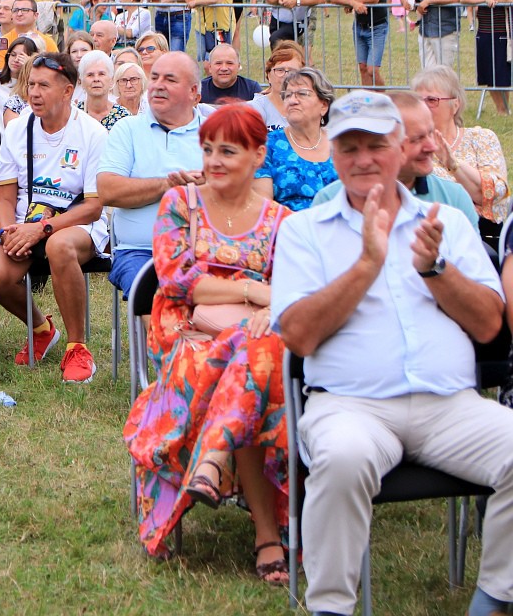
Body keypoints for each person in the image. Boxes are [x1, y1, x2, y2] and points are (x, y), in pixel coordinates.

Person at [271, 89, 513, 616]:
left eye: (376, 145)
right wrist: (366, 265)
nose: (362, 159)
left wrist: (435, 271)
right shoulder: (302, 232)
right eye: (348, 147)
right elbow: (299, 337)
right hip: (351, 405)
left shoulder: (445, 224)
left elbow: (490, 324)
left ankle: (494, 599)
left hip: (450, 405)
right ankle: (331, 607)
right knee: (342, 457)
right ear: (332, 153)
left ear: (401, 148)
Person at [125, 103, 290, 579]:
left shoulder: (280, 219)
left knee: (250, 355)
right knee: (251, 363)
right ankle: (267, 538)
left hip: (256, 335)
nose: (214, 161)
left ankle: (213, 461)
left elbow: (292, 290)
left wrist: (266, 304)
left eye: (228, 151)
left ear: (259, 155)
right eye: (208, 149)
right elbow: (177, 281)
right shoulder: (181, 204)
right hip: (185, 332)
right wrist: (251, 289)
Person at [0, 52, 106, 381]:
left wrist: (42, 229)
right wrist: (7, 231)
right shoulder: (15, 130)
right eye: (30, 84)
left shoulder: (93, 133)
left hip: (76, 223)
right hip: (26, 221)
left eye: (43, 86)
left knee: (59, 246)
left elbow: (94, 205)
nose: (34, 93)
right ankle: (41, 329)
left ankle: (77, 347)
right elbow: (5, 197)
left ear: (68, 91)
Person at [98, 51, 206, 293]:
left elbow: (240, 189)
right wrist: (167, 186)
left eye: (170, 79)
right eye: (155, 77)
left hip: (207, 248)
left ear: (194, 93)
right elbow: (107, 190)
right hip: (141, 251)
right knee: (157, 295)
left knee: (220, 293)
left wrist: (210, 185)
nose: (158, 85)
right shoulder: (128, 129)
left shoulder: (215, 131)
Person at [312, 91, 480, 233]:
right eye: (417, 139)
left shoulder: (454, 199)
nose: (432, 146)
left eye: (430, 134)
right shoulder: (329, 200)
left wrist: (433, 265)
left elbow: (473, 268)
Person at [411, 65, 510, 237]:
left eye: (432, 100)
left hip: (486, 237)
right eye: (418, 101)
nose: (423, 107)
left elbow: (495, 192)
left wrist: (453, 165)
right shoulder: (411, 149)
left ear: (455, 105)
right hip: (432, 234)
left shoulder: (482, 138)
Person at [252, 68, 337, 211]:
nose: (292, 101)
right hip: (289, 228)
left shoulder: (340, 144)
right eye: (288, 95)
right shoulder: (267, 146)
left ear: (323, 105)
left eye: (302, 94)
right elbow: (263, 208)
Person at [331, 0, 388, 89]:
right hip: (359, 26)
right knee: (363, 68)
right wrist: (353, 4)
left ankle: (385, 101)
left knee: (372, 70)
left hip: (377, 26)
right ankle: (368, 103)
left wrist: (354, 3)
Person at [461, 0, 513, 115]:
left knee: (502, 75)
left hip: (502, 38)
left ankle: (505, 107)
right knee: (488, 74)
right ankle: (500, 109)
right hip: (483, 36)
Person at [0, 35, 38, 128]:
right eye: (13, 55)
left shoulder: (34, 86)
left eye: (22, 57)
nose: (16, 60)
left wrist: (29, 67)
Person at [248, 42, 305, 131]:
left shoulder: (311, 108)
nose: (286, 76)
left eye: (292, 71)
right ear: (269, 75)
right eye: (280, 70)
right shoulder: (254, 109)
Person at [76, 51, 129, 129]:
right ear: (82, 81)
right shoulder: (74, 115)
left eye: (101, 74)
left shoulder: (123, 117)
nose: (96, 79)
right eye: (90, 75)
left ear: (111, 80)